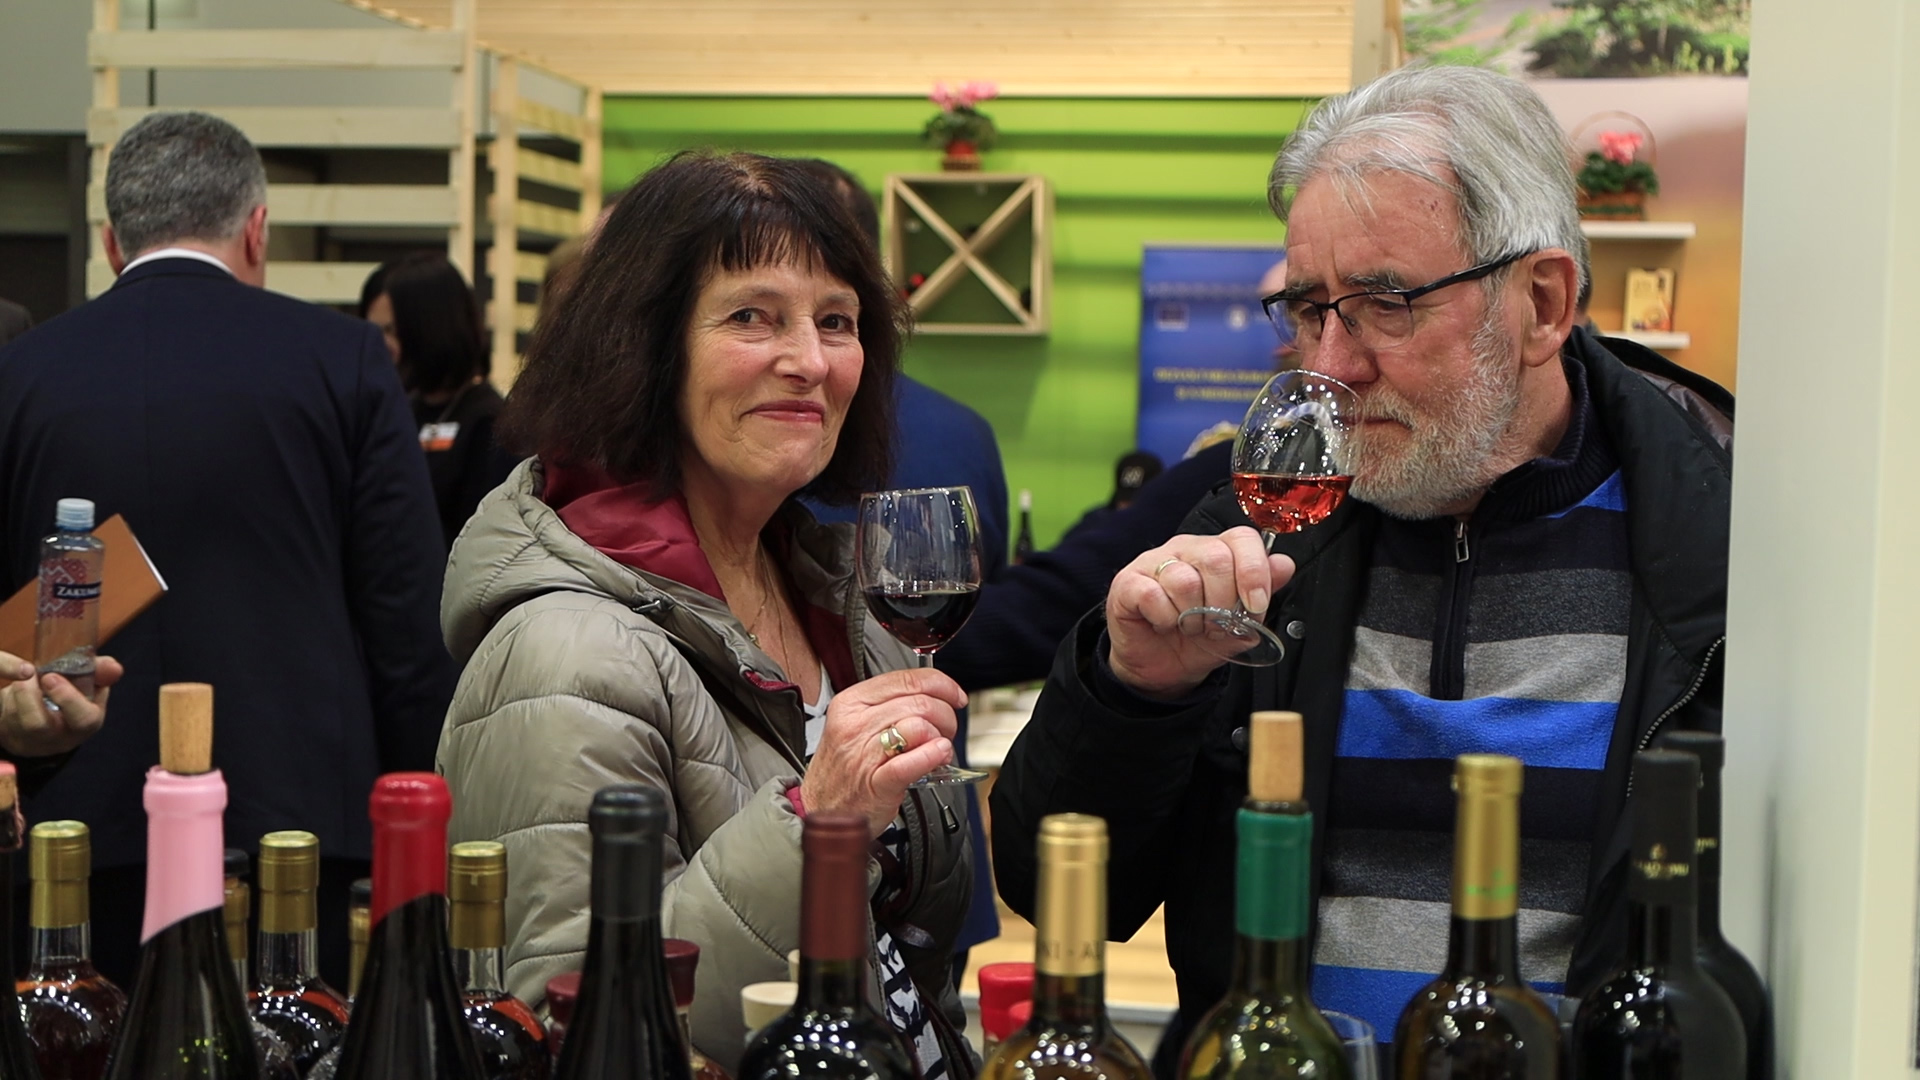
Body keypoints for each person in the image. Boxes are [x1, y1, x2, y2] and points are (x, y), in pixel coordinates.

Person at [990, 64, 1734, 1074]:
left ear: (1543, 302)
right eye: (1308, 311)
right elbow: (1059, 885)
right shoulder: (1259, 522)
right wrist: (1133, 695)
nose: (1330, 366)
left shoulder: (1723, 540)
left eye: (1386, 304)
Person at [435, 151, 975, 1077]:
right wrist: (818, 821)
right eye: (751, 316)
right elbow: (566, 1024)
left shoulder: (839, 599)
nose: (808, 361)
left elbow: (906, 955)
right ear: (644, 347)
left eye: (836, 321)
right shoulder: (563, 653)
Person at [0, 111, 457, 991]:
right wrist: (420, 825)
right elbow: (405, 626)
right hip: (300, 832)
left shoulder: (22, 374)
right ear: (257, 229)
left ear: (111, 243)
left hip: (76, 837)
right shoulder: (345, 361)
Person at [357, 254, 519, 547]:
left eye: (390, 331)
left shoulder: (490, 425)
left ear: (431, 330)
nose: (379, 346)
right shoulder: (401, 409)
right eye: (373, 331)